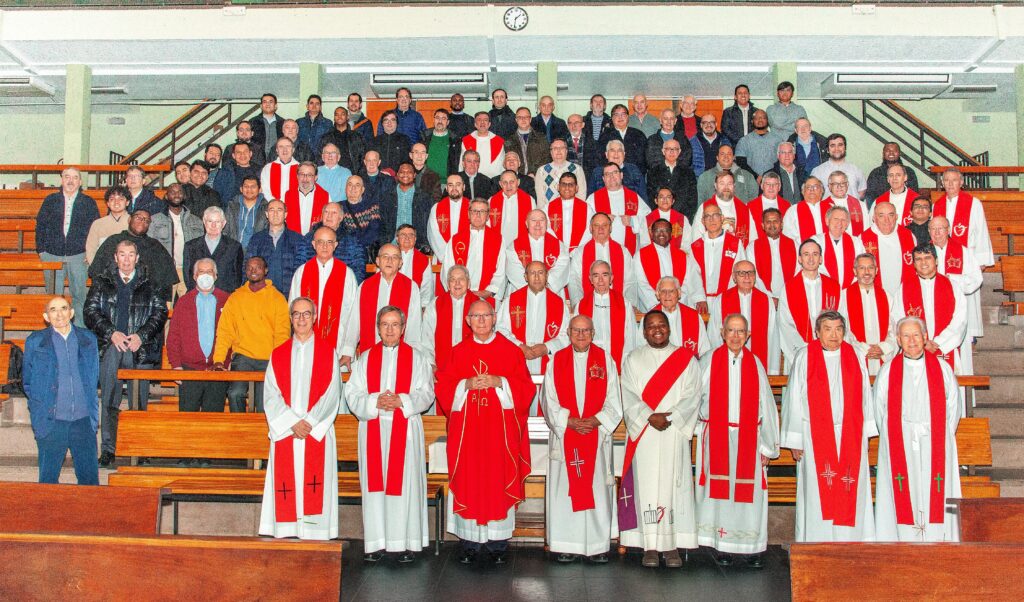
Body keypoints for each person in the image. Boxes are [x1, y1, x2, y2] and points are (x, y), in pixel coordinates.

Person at [435, 299, 535, 564]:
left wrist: (500, 381)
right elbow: (443, 388)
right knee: (469, 479)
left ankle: (497, 544)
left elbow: (526, 389)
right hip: (468, 434)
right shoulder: (458, 352)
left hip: (498, 434)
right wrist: (464, 384)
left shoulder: (511, 351)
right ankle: (469, 543)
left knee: (497, 479)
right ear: (468, 321)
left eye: (486, 315)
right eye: (475, 316)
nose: (481, 321)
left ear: (494, 319)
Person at [347, 306, 435, 562]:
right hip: (374, 428)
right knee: (375, 486)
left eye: (395, 324)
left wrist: (401, 401)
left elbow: (427, 392)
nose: (389, 329)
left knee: (404, 485)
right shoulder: (365, 358)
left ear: (403, 327)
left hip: (404, 432)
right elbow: (352, 393)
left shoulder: (417, 358)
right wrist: (375, 401)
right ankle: (376, 543)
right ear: (377, 327)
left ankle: (405, 543)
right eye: (385, 324)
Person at [781, 311, 876, 542]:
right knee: (816, 494)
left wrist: (865, 433)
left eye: (838, 329)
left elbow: (865, 397)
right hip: (815, 436)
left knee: (850, 489)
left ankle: (850, 542)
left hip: (849, 434)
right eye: (827, 329)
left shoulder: (855, 356)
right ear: (817, 332)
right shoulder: (804, 356)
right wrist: (795, 440)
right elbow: (793, 398)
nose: (834, 335)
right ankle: (817, 545)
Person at [619, 310, 702, 567]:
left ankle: (672, 545)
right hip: (645, 432)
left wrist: (672, 416)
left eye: (661, 325)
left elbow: (693, 394)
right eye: (651, 326)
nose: (657, 330)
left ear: (669, 328)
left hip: (673, 431)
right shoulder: (633, 359)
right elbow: (628, 393)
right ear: (643, 332)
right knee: (647, 486)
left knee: (673, 485)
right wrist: (648, 415)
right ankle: (650, 545)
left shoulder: (686, 360)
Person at [696, 313, 779, 566]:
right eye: (731, 331)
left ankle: (751, 547)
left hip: (748, 440)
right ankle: (721, 546)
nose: (735, 336)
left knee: (748, 493)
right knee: (720, 493)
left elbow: (766, 405)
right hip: (718, 437)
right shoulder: (709, 360)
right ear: (722, 333)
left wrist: (767, 444)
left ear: (748, 335)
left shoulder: (756, 364)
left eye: (741, 331)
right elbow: (694, 398)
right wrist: (701, 427)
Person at [259, 296, 342, 540]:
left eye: (306, 314)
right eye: (296, 314)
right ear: (291, 319)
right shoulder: (278, 354)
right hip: (288, 432)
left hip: (315, 433)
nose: (302, 319)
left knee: (315, 485)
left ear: (315, 317)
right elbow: (271, 394)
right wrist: (291, 422)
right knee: (287, 485)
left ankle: (314, 530)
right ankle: (287, 528)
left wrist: (310, 423)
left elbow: (332, 393)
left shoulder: (328, 353)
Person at [873, 316, 962, 542]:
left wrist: (937, 435)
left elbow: (953, 408)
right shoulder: (887, 372)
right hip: (900, 442)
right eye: (906, 336)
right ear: (898, 340)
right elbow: (880, 410)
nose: (912, 341)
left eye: (916, 335)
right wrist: (900, 433)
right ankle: (901, 541)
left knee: (935, 490)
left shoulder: (942, 369)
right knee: (905, 492)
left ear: (925, 337)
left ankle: (938, 540)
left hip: (935, 441)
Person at [542, 314, 622, 563]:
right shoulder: (556, 361)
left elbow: (614, 399)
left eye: (586, 331)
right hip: (567, 435)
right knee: (565, 491)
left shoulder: (605, 360)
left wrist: (596, 420)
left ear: (593, 333)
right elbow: (549, 399)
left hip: (595, 437)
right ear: (567, 332)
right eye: (576, 330)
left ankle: (597, 546)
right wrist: (570, 421)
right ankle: (566, 543)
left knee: (596, 489)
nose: (581, 335)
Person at [84, 240, 168, 467]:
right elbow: (89, 312)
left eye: (131, 254)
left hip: (139, 350)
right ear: (115, 257)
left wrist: (141, 335)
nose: (127, 259)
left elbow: (161, 313)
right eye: (122, 254)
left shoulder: (151, 283)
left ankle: (139, 448)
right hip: (111, 347)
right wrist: (111, 333)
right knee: (109, 399)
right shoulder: (102, 282)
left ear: (138, 258)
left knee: (138, 400)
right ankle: (109, 448)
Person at [24, 296, 100, 485]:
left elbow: (93, 377)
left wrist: (92, 416)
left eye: (64, 308)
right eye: (53, 310)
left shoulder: (88, 339)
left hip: (83, 422)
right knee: (48, 483)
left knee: (90, 484)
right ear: (46, 316)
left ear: (72, 313)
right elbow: (27, 382)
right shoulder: (35, 341)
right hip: (51, 422)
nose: (59, 314)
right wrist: (38, 410)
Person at [213, 256, 291, 413]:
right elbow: (225, 331)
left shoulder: (277, 298)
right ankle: (240, 430)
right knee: (235, 393)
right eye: (249, 268)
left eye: (258, 267)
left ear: (266, 270)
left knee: (264, 402)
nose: (253, 271)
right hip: (243, 357)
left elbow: (282, 333)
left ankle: (263, 435)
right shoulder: (235, 298)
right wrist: (218, 360)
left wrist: (278, 361)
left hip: (268, 358)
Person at [888, 244, 970, 379]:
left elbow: (960, 321)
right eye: (918, 259)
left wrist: (939, 343)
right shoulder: (904, 288)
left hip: (945, 349)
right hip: (914, 349)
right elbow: (898, 319)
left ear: (936, 261)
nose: (923, 262)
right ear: (913, 264)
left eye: (927, 258)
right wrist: (922, 343)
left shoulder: (952, 286)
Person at [289, 225, 360, 367]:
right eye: (320, 242)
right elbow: (293, 311)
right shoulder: (302, 273)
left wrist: (348, 350)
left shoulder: (347, 275)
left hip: (338, 347)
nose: (325, 247)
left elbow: (354, 315)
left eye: (329, 242)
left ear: (336, 245)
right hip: (305, 346)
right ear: (314, 244)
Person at [166, 259, 230, 414]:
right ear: (194, 276)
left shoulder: (227, 300)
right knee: (188, 424)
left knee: (214, 424)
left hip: (218, 371)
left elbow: (235, 334)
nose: (205, 275)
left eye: (209, 272)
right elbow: (173, 336)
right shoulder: (184, 302)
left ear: (216, 275)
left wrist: (229, 362)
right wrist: (176, 366)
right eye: (201, 272)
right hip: (189, 371)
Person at [36, 167, 98, 325]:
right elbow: (40, 226)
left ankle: (79, 330)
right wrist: (42, 251)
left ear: (80, 182)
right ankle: (54, 330)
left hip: (78, 256)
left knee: (79, 296)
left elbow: (94, 230)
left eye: (75, 177)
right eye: (67, 177)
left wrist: (89, 253)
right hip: (52, 255)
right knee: (53, 297)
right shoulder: (50, 200)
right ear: (61, 180)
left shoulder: (88, 202)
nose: (70, 181)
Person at [497, 261, 570, 381]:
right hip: (517, 359)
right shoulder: (512, 300)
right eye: (532, 273)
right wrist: (519, 346)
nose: (536, 277)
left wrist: (547, 347)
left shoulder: (558, 303)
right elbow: (500, 329)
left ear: (547, 276)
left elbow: (566, 334)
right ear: (525, 277)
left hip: (548, 363)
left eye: (541, 273)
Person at [778, 239, 842, 371]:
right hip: (800, 353)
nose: (811, 259)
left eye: (815, 254)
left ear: (821, 259)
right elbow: (785, 324)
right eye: (806, 254)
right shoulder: (790, 288)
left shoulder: (833, 286)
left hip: (828, 352)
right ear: (800, 259)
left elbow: (841, 320)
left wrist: (826, 346)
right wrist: (805, 351)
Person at [90, 209, 179, 301]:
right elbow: (97, 272)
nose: (142, 221)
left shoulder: (155, 246)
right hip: (115, 298)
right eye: (138, 217)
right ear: (129, 220)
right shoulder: (113, 241)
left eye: (146, 220)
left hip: (146, 300)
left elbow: (167, 279)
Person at [708, 261, 779, 374]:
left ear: (755, 277)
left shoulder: (766, 301)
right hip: (728, 362)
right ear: (734, 277)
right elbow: (714, 334)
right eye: (741, 273)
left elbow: (773, 336)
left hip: (759, 362)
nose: (747, 277)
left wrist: (773, 370)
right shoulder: (721, 300)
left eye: (750, 273)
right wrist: (717, 363)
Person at [353, 244, 421, 352]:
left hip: (400, 351)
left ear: (400, 263)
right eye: (385, 256)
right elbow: (355, 320)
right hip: (370, 349)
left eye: (394, 257)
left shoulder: (411, 287)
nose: (389, 261)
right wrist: (348, 350)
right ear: (378, 261)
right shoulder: (365, 286)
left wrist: (413, 352)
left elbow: (414, 324)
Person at [574, 260, 639, 372]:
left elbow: (631, 338)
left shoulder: (624, 304)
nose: (600, 280)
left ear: (611, 278)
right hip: (589, 364)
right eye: (596, 275)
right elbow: (576, 338)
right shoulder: (581, 306)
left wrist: (625, 366)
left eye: (604, 275)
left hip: (619, 362)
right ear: (590, 279)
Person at [933, 168, 995, 284]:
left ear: (961, 182)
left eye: (954, 180)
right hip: (943, 259)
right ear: (942, 182)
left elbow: (981, 232)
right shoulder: (937, 205)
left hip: (967, 258)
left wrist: (981, 260)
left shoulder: (973, 203)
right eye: (946, 180)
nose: (950, 184)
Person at [839, 253, 894, 376]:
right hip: (856, 356)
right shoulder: (844, 296)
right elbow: (843, 330)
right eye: (862, 268)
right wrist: (863, 349)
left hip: (882, 357)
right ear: (855, 271)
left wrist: (884, 348)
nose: (866, 272)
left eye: (870, 267)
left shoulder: (887, 296)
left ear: (876, 270)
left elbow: (894, 330)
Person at [441, 198, 507, 300]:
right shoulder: (456, 239)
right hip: (460, 296)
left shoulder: (497, 239)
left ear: (488, 216)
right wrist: (460, 292)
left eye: (482, 211)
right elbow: (447, 270)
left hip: (487, 297)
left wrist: (488, 291)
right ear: (468, 214)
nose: (478, 215)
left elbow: (501, 270)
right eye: (474, 211)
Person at [930, 216, 984, 340]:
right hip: (931, 306)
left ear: (948, 230)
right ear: (928, 231)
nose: (937, 233)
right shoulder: (923, 253)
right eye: (933, 229)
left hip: (957, 306)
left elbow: (976, 279)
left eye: (941, 228)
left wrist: (951, 280)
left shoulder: (964, 252)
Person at [688, 203, 746, 314]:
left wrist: (728, 297)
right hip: (702, 303)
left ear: (722, 218)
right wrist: (700, 298)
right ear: (702, 221)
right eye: (707, 216)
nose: (711, 220)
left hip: (728, 299)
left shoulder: (734, 243)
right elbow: (693, 275)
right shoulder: (696, 247)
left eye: (715, 215)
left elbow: (739, 272)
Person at [149, 184, 204, 299]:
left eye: (179, 192)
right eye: (172, 192)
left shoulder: (196, 220)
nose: (176, 195)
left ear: (184, 196)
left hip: (187, 271)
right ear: (166, 196)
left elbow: (201, 248)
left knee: (188, 308)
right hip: (166, 272)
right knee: (165, 309)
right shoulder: (155, 220)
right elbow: (150, 247)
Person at [569, 213, 636, 306]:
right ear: (590, 228)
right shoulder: (580, 252)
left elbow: (630, 281)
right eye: (596, 225)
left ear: (611, 228)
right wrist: (579, 305)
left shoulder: (623, 251)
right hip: (588, 306)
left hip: (618, 306)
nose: (601, 228)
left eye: (605, 225)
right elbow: (574, 281)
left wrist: (630, 305)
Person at [419, 265, 477, 372]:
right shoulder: (435, 305)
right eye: (453, 280)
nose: (457, 283)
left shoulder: (479, 304)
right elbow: (427, 339)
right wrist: (431, 365)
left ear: (469, 283)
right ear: (448, 284)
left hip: (474, 367)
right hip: (442, 368)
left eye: (461, 279)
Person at [634, 219, 700, 311]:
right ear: (651, 234)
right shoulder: (640, 255)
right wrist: (658, 305)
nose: (661, 234)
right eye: (657, 230)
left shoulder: (682, 255)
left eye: (665, 230)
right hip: (653, 308)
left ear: (671, 233)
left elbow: (687, 282)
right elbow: (642, 284)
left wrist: (675, 302)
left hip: (677, 307)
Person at [587, 161, 649, 254]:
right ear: (603, 179)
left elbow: (648, 219)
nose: (611, 176)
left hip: (628, 252)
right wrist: (600, 220)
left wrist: (632, 221)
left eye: (615, 173)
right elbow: (585, 222)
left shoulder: (634, 197)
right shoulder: (593, 199)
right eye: (607, 174)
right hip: (601, 253)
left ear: (621, 175)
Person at [245, 199, 305, 294]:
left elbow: (302, 271)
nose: (275, 214)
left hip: (288, 295)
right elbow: (248, 267)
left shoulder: (297, 239)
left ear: (285, 214)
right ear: (267, 214)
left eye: (279, 210)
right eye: (271, 210)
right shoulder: (256, 239)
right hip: (261, 294)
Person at [860, 201, 917, 298]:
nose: (887, 220)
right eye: (881, 215)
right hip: (874, 296)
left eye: (891, 215)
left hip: (904, 295)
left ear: (896, 217)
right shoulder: (863, 238)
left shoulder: (908, 236)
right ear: (874, 218)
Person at [506, 209, 569, 294]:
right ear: (527, 224)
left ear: (546, 223)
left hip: (551, 291)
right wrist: (532, 289)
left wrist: (545, 286)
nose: (538, 224)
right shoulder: (514, 246)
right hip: (521, 291)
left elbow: (562, 268)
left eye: (542, 220)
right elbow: (514, 271)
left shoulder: (559, 245)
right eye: (533, 220)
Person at [643, 276, 709, 356]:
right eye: (663, 291)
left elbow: (705, 351)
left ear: (679, 293)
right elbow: (642, 350)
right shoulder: (648, 318)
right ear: (657, 294)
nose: (667, 295)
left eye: (671, 291)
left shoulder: (694, 317)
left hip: (688, 366)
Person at [182, 206, 244, 292]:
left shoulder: (234, 247)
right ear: (204, 222)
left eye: (217, 221)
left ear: (224, 223)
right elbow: (188, 277)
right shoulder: (191, 246)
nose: (213, 225)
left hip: (225, 298)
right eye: (210, 221)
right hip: (198, 297)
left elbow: (237, 278)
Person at [378, 162, 434, 255]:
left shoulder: (425, 198)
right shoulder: (386, 197)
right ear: (397, 175)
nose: (405, 174)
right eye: (402, 172)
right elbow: (381, 224)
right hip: (391, 246)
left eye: (409, 172)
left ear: (414, 175)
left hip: (418, 247)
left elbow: (429, 224)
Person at [692, 170, 757, 245]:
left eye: (729, 183)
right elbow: (696, 237)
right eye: (722, 183)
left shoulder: (744, 209)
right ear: (715, 186)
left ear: (734, 186)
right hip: (711, 253)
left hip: (738, 255)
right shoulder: (704, 208)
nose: (726, 187)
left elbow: (753, 239)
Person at [748, 207, 798, 300]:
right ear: (762, 225)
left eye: (775, 221)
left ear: (781, 224)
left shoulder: (794, 244)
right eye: (768, 222)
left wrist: (787, 295)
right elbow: (753, 275)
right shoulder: (752, 247)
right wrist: (769, 297)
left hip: (790, 295)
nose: (772, 225)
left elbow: (798, 272)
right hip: (763, 296)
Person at [813, 206, 865, 288]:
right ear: (827, 221)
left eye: (843, 220)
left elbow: (861, 267)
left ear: (847, 224)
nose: (839, 223)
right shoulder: (816, 241)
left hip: (849, 290)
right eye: (836, 219)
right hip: (823, 289)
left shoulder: (856, 242)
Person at [645, 138, 698, 220]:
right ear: (663, 151)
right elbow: (651, 199)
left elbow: (692, 200)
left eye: (675, 149)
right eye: (668, 149)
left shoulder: (688, 173)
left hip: (682, 218)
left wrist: (683, 218)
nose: (672, 152)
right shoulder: (653, 172)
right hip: (660, 218)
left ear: (679, 152)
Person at [336, 175, 381, 264]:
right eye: (350, 184)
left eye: (357, 185)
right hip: (342, 254)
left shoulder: (372, 206)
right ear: (345, 188)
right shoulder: (338, 207)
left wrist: (355, 246)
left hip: (363, 255)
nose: (353, 188)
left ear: (363, 189)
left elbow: (374, 231)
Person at [546, 172, 594, 253]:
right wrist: (559, 247)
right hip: (555, 251)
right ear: (558, 187)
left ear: (577, 188)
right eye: (563, 184)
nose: (567, 188)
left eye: (571, 185)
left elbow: (590, 229)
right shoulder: (548, 207)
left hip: (579, 252)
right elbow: (546, 228)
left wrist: (578, 250)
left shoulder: (586, 208)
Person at [281, 162, 330, 237]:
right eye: (302, 174)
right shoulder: (287, 195)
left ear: (316, 177)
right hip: (291, 240)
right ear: (297, 176)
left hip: (315, 242)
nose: (305, 178)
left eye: (309, 175)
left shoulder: (325, 196)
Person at [810, 134, 867, 199]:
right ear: (828, 149)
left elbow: (862, 192)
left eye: (840, 145)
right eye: (832, 146)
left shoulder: (856, 170)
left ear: (845, 148)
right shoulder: (817, 172)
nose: (836, 149)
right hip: (827, 209)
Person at [86, 185, 131, 265]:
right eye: (112, 199)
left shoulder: (134, 223)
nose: (116, 202)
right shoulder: (98, 224)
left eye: (121, 199)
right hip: (103, 269)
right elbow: (90, 249)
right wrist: (95, 268)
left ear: (127, 202)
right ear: (108, 203)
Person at [598, 104, 648, 175]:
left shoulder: (638, 134)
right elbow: (600, 159)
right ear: (612, 118)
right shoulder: (605, 136)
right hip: (611, 177)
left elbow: (644, 160)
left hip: (634, 177)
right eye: (616, 115)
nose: (620, 117)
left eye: (623, 114)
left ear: (628, 117)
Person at [488, 169, 536, 243]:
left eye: (512, 182)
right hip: (498, 244)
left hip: (521, 244)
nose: (508, 186)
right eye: (505, 182)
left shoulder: (529, 200)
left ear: (518, 182)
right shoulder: (491, 201)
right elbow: (487, 227)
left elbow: (533, 225)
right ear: (500, 184)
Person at [535, 139, 587, 205]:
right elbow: (540, 199)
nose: (559, 151)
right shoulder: (541, 171)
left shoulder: (577, 169)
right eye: (555, 148)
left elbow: (581, 195)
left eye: (562, 148)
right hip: (549, 212)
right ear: (551, 152)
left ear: (566, 151)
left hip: (571, 210)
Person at [734, 109, 786, 176]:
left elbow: (782, 161)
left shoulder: (778, 140)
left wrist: (770, 176)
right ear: (752, 121)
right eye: (757, 118)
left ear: (768, 121)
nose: (760, 120)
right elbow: (741, 163)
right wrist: (756, 177)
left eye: (763, 118)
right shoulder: (743, 141)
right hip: (751, 180)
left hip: (773, 180)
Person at [645, 109, 694, 178]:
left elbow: (687, 159)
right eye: (665, 119)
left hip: (679, 177)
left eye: (671, 119)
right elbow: (651, 161)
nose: (669, 122)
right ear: (660, 121)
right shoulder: (652, 140)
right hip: (659, 177)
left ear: (675, 121)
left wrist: (674, 172)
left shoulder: (683, 139)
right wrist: (666, 171)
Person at [223, 176, 268, 249]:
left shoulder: (266, 208)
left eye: (253, 187)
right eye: (246, 186)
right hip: (233, 250)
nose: (249, 189)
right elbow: (225, 230)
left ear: (260, 190)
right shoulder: (232, 206)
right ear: (241, 189)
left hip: (256, 251)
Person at [394, 224, 434, 307]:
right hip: (391, 302)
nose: (407, 238)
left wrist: (424, 307)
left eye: (411, 235)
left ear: (415, 239)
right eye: (403, 234)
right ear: (397, 239)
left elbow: (427, 287)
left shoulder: (423, 260)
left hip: (413, 305)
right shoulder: (389, 256)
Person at [782, 177, 830, 242]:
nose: (812, 190)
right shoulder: (793, 210)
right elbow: (787, 236)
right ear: (802, 191)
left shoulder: (831, 209)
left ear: (822, 191)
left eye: (815, 187)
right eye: (808, 187)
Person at [320, 107, 366, 173]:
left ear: (347, 117)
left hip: (352, 175)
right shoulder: (326, 138)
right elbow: (320, 158)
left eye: (342, 114)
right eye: (337, 114)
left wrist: (358, 175)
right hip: (331, 174)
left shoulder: (357, 137)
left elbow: (363, 158)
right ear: (334, 118)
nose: (339, 117)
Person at [824, 171, 871, 236]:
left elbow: (867, 229)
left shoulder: (860, 205)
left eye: (842, 183)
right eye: (835, 184)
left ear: (847, 184)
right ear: (829, 186)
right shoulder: (822, 206)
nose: (839, 186)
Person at [506, 107, 550, 176]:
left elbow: (546, 158)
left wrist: (534, 172)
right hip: (516, 179)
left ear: (530, 119)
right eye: (520, 117)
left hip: (538, 177)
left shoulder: (541, 137)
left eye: (526, 117)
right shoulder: (509, 140)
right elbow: (507, 162)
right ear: (516, 120)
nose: (523, 120)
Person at [460, 112, 505, 179]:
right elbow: (462, 164)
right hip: (472, 179)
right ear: (475, 124)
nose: (482, 122)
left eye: (485, 120)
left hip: (493, 180)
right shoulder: (467, 140)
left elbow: (501, 165)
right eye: (479, 120)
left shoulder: (498, 141)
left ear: (489, 124)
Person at [747, 172, 791, 240]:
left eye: (775, 184)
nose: (771, 187)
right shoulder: (750, 206)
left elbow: (789, 231)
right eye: (768, 184)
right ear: (762, 186)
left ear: (779, 187)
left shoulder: (787, 206)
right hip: (758, 245)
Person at [423, 111, 462, 184]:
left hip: (447, 183)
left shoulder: (455, 140)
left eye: (443, 118)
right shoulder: (424, 137)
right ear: (433, 120)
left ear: (448, 122)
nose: (440, 121)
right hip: (426, 183)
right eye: (437, 118)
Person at [260, 137, 299, 201]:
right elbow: (264, 189)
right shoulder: (268, 168)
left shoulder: (301, 168)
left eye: (288, 146)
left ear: (293, 150)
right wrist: (276, 204)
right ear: (277, 150)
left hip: (295, 205)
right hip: (273, 207)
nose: (285, 150)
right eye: (281, 147)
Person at [297, 94, 333, 159]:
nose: (314, 106)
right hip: (302, 159)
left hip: (320, 159)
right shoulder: (299, 122)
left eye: (317, 104)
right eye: (311, 103)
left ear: (320, 107)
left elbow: (329, 143)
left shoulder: (328, 123)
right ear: (307, 106)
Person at [249, 92, 283, 160]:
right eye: (264, 102)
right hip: (256, 159)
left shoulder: (283, 123)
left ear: (275, 106)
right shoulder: (252, 121)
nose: (267, 104)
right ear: (261, 106)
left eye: (271, 102)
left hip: (277, 159)